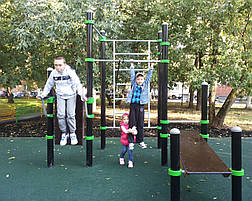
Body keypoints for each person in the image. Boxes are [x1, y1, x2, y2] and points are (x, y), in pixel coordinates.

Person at [38, 56, 85, 146]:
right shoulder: (54, 73)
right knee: (61, 115)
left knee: (70, 115)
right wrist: (43, 95)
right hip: (60, 96)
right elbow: (49, 85)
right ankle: (64, 133)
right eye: (56, 65)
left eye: (60, 65)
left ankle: (72, 133)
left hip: (71, 95)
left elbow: (77, 83)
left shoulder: (70, 72)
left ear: (64, 64)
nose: (58, 67)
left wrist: (81, 95)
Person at [126, 61, 154, 150]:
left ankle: (140, 140)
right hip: (133, 105)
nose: (139, 81)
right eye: (138, 79)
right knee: (132, 122)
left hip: (141, 105)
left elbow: (149, 77)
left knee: (140, 123)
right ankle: (131, 141)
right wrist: (132, 66)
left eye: (141, 79)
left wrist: (151, 67)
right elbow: (132, 75)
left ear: (143, 80)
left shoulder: (145, 85)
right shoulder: (133, 84)